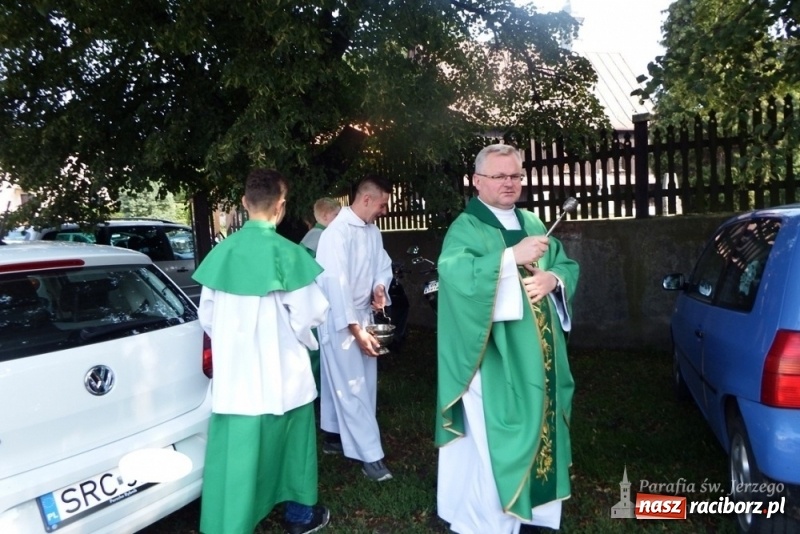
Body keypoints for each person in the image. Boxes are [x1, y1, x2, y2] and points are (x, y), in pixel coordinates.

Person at [435, 144, 580, 534]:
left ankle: (539, 515)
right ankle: (487, 524)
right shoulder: (467, 226)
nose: (509, 183)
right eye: (499, 176)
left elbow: (564, 263)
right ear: (477, 181)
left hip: (542, 356)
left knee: (542, 427)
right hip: (493, 358)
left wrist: (553, 279)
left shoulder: (532, 221)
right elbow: (455, 274)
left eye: (515, 175)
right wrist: (508, 258)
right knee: (498, 442)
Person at [192, 168, 331, 534]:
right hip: (283, 376)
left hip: (237, 379)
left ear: (244, 202)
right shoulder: (288, 254)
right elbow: (312, 314)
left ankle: (232, 524)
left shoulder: (222, 253)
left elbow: (207, 317)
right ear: (281, 206)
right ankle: (300, 517)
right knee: (294, 449)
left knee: (237, 458)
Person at [315, 175, 395, 482]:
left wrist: (379, 288)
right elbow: (336, 285)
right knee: (352, 387)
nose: (384, 211)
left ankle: (333, 436)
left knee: (361, 383)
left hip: (363, 314)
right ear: (366, 199)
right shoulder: (336, 234)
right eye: (382, 204)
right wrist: (355, 330)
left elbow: (382, 266)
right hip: (340, 319)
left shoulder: (373, 231)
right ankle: (370, 456)